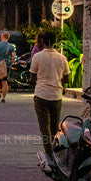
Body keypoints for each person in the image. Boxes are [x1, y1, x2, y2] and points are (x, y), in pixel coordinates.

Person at [29, 31, 70, 162]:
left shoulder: (37, 57)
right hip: (56, 96)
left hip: (41, 94)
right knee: (54, 126)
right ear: (56, 41)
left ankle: (49, 153)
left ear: (42, 41)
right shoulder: (62, 58)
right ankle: (55, 150)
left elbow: (32, 75)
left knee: (44, 127)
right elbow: (67, 78)